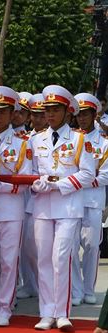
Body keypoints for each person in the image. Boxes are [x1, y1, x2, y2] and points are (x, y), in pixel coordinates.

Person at [28, 85, 94, 331]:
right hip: (43, 207)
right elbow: (31, 173)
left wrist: (60, 185)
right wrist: (37, 183)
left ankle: (62, 313)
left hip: (68, 206)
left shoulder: (79, 139)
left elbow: (87, 174)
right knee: (44, 259)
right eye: (48, 110)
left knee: (61, 258)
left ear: (67, 112)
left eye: (56, 110)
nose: (50, 114)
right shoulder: (36, 140)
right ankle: (46, 312)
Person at [0, 86, 32, 326]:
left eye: (3, 112)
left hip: (11, 208)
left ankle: (4, 306)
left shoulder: (23, 143)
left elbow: (24, 181)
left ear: (12, 114)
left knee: (9, 261)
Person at [71, 93, 108, 305]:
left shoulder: (104, 143)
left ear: (94, 116)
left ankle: (88, 289)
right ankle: (76, 290)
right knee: (72, 247)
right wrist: (84, 177)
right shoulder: (72, 139)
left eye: (86, 114)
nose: (82, 119)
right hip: (72, 200)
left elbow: (105, 175)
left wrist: (80, 179)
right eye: (79, 115)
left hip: (93, 201)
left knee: (93, 246)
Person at [16, 93, 47, 299]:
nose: (38, 119)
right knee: (25, 245)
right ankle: (29, 284)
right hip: (24, 197)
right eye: (34, 115)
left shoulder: (49, 139)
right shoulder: (25, 139)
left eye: (42, 115)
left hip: (43, 196)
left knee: (41, 248)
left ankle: (44, 286)